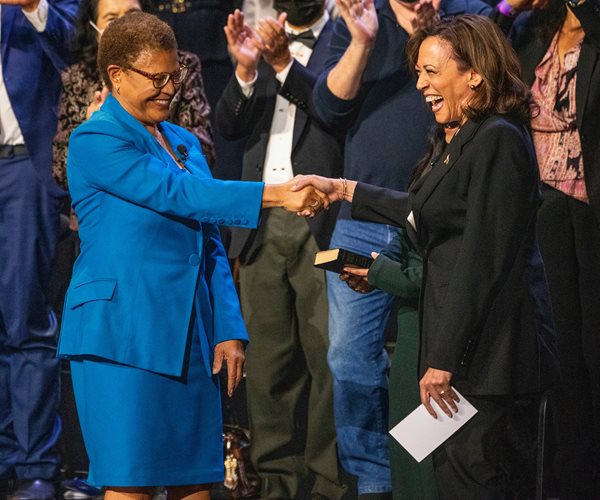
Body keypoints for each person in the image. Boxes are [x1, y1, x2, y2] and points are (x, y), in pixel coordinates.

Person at [56, 12, 327, 500]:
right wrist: (278, 194)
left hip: (188, 337)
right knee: (130, 485)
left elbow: (210, 242)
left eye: (173, 76)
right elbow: (177, 194)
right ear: (116, 75)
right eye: (156, 79)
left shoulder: (182, 142)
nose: (169, 89)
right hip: (122, 338)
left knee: (197, 487)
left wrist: (227, 326)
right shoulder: (95, 139)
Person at [296, 15, 556, 498]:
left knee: (478, 482)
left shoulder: (498, 139)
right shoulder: (458, 136)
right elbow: (422, 209)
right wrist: (343, 188)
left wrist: (442, 360)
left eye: (431, 72)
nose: (420, 85)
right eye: (417, 73)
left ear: (474, 72)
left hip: (490, 360)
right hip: (464, 354)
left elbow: (482, 261)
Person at [310, 0, 492, 494]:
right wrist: (364, 41)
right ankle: (374, 479)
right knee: (348, 355)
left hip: (435, 228)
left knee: (430, 353)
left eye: (428, 71)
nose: (421, 85)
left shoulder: (468, 17)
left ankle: (422, 478)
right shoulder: (357, 18)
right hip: (371, 217)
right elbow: (326, 107)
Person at [216, 4, 344, 498]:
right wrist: (247, 71)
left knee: (326, 361)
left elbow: (337, 112)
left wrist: (286, 65)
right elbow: (229, 125)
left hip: (320, 218)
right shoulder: (263, 39)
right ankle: (275, 485)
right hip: (261, 218)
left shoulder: (345, 38)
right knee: (267, 366)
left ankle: (329, 485)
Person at [504, 0, 600, 494]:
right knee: (563, 353)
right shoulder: (533, 30)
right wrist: (507, 5)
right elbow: (484, 54)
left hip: (590, 205)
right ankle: (573, 478)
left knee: (592, 346)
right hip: (545, 205)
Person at [0, 0, 78, 497]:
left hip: (19, 165)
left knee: (25, 316)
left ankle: (33, 464)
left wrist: (33, 7)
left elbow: (74, 41)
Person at [53, 0, 215, 190]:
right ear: (93, 28)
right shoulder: (77, 79)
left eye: (132, 15)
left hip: (174, 195)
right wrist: (93, 129)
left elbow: (202, 154)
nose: (124, 27)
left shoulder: (179, 67)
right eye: (111, 19)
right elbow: (61, 172)